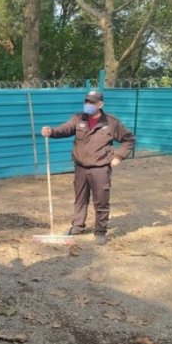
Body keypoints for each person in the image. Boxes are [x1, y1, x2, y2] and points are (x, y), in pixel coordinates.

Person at [41, 90, 135, 245]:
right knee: (80, 198)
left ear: (100, 104)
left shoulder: (111, 122)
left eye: (92, 102)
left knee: (101, 200)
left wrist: (119, 157)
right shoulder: (78, 118)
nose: (88, 105)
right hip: (80, 167)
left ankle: (100, 231)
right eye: (86, 102)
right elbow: (65, 129)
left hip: (100, 168)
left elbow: (129, 139)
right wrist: (51, 132)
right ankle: (78, 226)